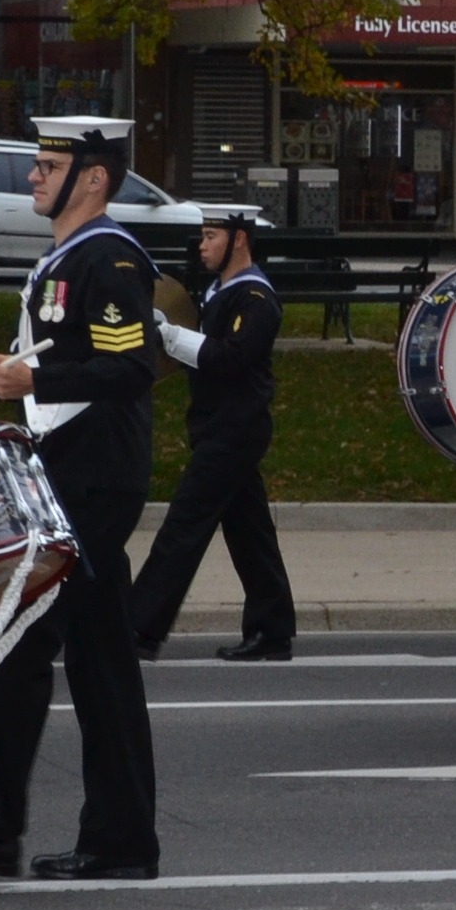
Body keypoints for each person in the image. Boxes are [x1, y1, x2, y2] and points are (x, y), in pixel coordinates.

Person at [0, 117, 160, 879]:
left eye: (50, 165)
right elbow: (54, 364)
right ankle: (118, 841)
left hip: (94, 477)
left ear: (94, 178)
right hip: (70, 471)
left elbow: (135, 363)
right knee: (101, 662)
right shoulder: (69, 257)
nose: (34, 176)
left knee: (19, 647)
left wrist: (35, 381)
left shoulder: (108, 256)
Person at [129, 202, 299, 662]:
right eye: (202, 236)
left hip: (235, 429)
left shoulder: (256, 299)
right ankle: (273, 629)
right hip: (218, 426)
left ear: (238, 239)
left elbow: (230, 358)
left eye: (211, 236)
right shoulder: (220, 291)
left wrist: (172, 337)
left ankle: (138, 628)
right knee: (250, 533)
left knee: (184, 526)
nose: (202, 246)